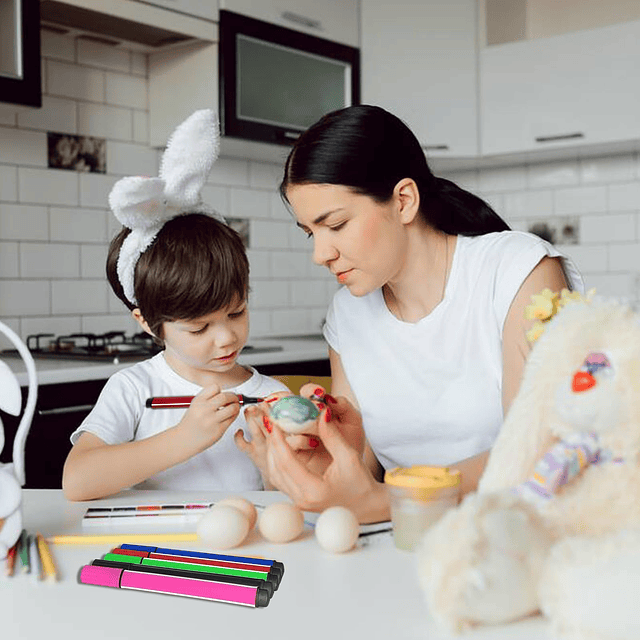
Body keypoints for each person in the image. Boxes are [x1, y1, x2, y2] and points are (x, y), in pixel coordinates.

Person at [237, 105, 584, 523]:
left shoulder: (517, 270)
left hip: (525, 534)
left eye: (337, 224)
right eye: (311, 232)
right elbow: (363, 473)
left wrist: (390, 500)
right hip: (405, 540)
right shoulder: (348, 314)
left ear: (403, 201)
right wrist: (322, 462)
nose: (320, 254)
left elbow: (538, 447)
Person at [62, 110, 288, 501]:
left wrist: (278, 463)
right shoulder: (134, 389)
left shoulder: (269, 393)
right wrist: (185, 438)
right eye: (199, 328)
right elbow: (77, 481)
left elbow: (287, 502)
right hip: (152, 555)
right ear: (148, 323)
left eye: (237, 312)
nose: (226, 339)